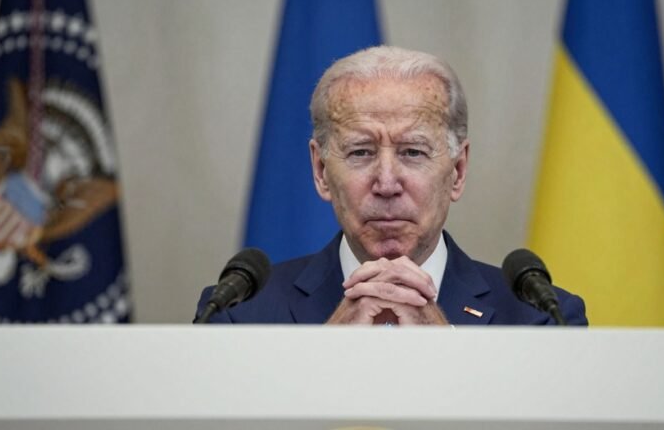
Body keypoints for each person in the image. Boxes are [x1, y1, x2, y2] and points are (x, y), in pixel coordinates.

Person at [197, 46, 586, 325]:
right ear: (320, 170)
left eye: (413, 152)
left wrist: (449, 355)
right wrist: (322, 358)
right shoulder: (239, 312)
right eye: (361, 152)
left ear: (458, 170)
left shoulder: (542, 317)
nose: (386, 183)